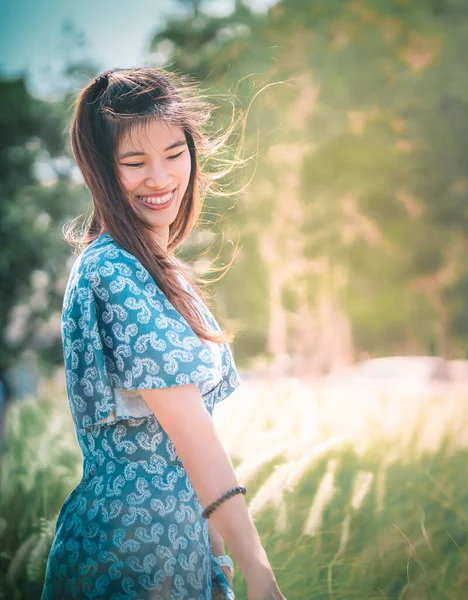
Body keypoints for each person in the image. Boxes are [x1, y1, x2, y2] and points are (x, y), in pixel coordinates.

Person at [41, 67, 287, 600]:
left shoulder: (157, 268)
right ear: (102, 171)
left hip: (181, 548)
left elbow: (199, 444)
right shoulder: (114, 272)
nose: (160, 177)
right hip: (131, 553)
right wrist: (259, 573)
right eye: (134, 162)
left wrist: (217, 559)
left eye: (174, 154)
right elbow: (191, 435)